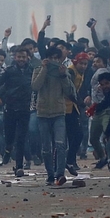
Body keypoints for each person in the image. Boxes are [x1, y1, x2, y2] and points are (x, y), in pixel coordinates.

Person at [32, 46, 75, 186]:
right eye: (52, 58)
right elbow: (35, 86)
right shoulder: (38, 69)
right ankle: (50, 174)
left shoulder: (64, 71)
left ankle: (60, 174)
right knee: (46, 147)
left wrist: (63, 76)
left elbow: (69, 91)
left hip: (59, 112)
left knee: (60, 144)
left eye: (57, 58)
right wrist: (44, 69)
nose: (54, 61)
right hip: (43, 112)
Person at [0, 48, 33, 176]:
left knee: (21, 138)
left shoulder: (32, 71)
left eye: (23, 57)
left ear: (27, 58)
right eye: (19, 57)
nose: (21, 59)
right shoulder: (8, 71)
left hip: (25, 109)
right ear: (15, 57)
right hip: (10, 107)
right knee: (9, 135)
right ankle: (8, 149)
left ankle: (19, 166)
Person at [88, 55, 110, 169]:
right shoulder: (93, 75)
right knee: (93, 138)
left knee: (107, 135)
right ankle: (103, 158)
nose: (95, 64)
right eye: (94, 61)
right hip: (96, 110)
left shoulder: (104, 73)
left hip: (107, 110)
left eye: (98, 61)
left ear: (104, 64)